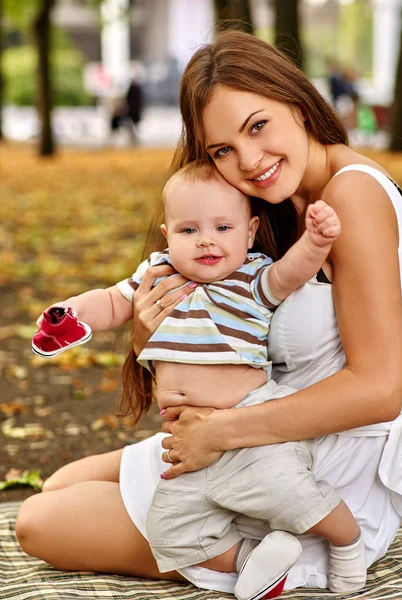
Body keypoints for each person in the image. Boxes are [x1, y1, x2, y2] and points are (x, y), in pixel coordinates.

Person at [15, 30, 402, 597]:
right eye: (222, 150)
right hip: (253, 437)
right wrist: (146, 336)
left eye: (257, 126)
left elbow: (377, 390)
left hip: (307, 474)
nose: (249, 161)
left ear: (295, 98)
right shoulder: (288, 205)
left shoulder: (351, 197)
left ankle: (259, 559)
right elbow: (232, 339)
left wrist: (218, 433)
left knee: (37, 522)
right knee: (61, 483)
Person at [29, 161, 366, 599]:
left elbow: (292, 273)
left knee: (290, 495)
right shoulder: (160, 273)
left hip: (247, 429)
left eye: (223, 227)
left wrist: (316, 241)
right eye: (189, 231)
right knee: (169, 529)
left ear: (250, 232)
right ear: (168, 236)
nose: (206, 239)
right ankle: (252, 560)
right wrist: (70, 315)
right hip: (184, 442)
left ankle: (347, 543)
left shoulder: (252, 278)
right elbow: (112, 302)